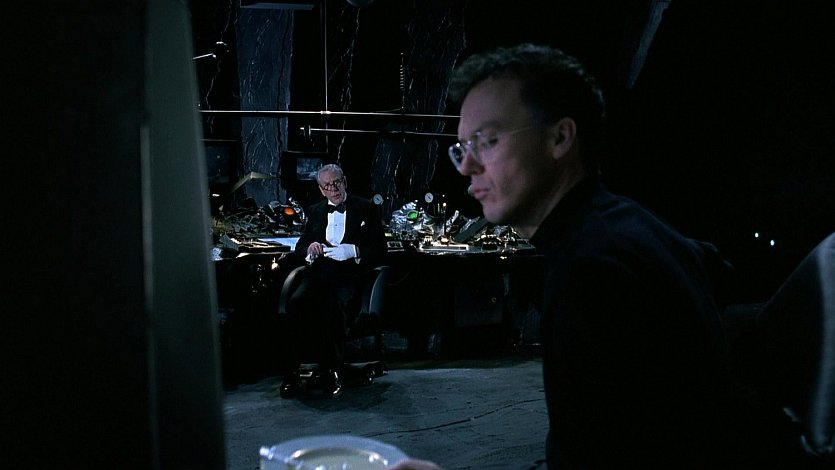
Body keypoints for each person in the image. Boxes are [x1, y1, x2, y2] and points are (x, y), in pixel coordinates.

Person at [393, 43, 749, 468]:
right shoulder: (626, 225)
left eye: (486, 141)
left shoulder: (592, 273)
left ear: (560, 137)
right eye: (461, 149)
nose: (467, 167)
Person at [280, 163, 387, 398]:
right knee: (295, 304)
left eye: (337, 183)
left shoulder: (366, 208)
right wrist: (310, 248)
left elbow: (381, 249)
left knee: (330, 306)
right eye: (327, 185)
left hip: (349, 274)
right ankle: (292, 374)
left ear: (344, 182)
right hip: (319, 272)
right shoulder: (316, 211)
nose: (334, 189)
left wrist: (354, 250)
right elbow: (301, 246)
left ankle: (332, 372)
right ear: (321, 189)